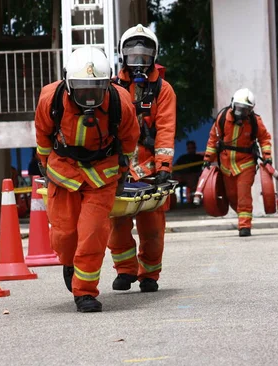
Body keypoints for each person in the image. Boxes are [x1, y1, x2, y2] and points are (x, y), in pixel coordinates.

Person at [35, 46, 139, 313]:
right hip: (63, 173)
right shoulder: (51, 98)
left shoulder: (120, 101)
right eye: (83, 90)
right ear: (69, 84)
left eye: (96, 89)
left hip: (102, 174)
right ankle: (69, 263)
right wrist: (45, 168)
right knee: (64, 234)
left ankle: (85, 293)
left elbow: (129, 138)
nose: (90, 96)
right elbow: (43, 136)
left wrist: (123, 167)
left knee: (92, 234)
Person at [107, 24, 177, 293]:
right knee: (117, 224)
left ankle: (149, 273)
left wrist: (164, 167)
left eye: (144, 55)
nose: (138, 61)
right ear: (122, 55)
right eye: (132, 54)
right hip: (118, 169)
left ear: (154, 56)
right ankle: (125, 271)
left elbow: (166, 128)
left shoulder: (163, 89)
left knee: (153, 227)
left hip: (150, 170)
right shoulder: (111, 87)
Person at [203, 88, 272, 237]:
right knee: (232, 196)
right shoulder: (222, 118)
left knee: (243, 194)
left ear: (251, 110)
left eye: (246, 109)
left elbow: (265, 138)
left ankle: (244, 226)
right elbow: (213, 139)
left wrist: (267, 156)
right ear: (233, 105)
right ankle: (243, 216)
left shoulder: (254, 121)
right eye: (240, 108)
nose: (242, 112)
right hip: (226, 164)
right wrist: (208, 159)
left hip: (246, 163)